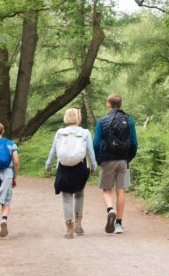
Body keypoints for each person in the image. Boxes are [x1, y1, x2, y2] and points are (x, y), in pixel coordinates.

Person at [45, 107, 98, 238]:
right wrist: (94, 167)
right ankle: (78, 224)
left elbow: (53, 150)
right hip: (81, 167)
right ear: (78, 118)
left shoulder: (60, 132)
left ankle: (69, 229)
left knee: (66, 197)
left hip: (63, 167)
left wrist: (48, 163)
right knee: (79, 194)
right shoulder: (85, 132)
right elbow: (90, 151)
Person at [93, 93, 138, 234]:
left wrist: (98, 159)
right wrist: (128, 158)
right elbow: (134, 143)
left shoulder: (102, 121)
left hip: (107, 159)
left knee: (106, 189)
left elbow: (96, 143)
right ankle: (118, 224)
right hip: (123, 160)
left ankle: (110, 210)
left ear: (108, 105)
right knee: (121, 190)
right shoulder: (129, 120)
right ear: (120, 104)